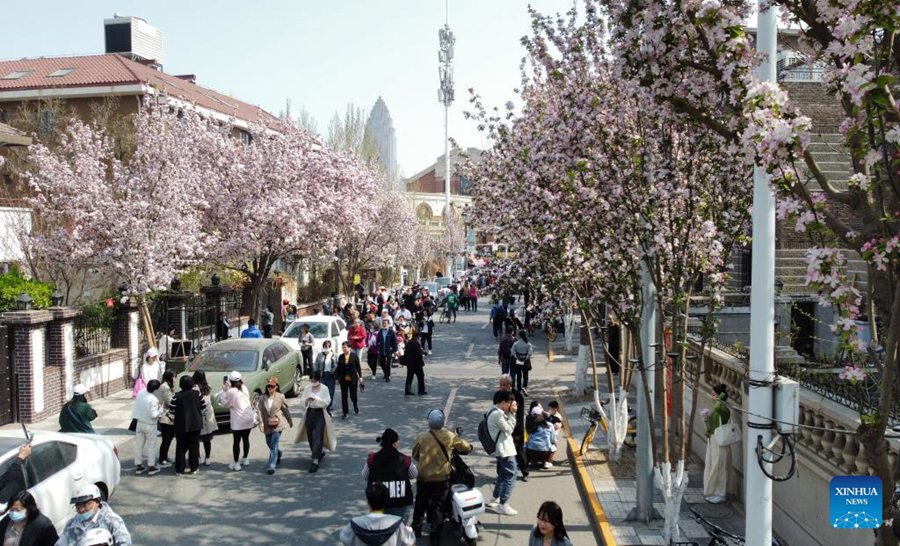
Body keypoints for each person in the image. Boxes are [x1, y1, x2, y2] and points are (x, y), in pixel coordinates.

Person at [411, 409, 472, 542]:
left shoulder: (422, 437)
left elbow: (415, 455)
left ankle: (416, 528)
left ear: (429, 422)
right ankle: (435, 536)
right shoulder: (449, 436)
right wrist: (470, 447)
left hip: (423, 478)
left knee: (420, 503)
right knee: (439, 507)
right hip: (441, 479)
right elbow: (465, 446)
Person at [362, 428, 417, 520]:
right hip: (399, 501)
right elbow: (414, 474)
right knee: (396, 526)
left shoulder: (372, 459)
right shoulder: (404, 459)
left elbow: (365, 475)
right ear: (394, 443)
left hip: (379, 501)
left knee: (380, 526)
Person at [339, 483, 416, 546]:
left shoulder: (355, 524)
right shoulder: (396, 523)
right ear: (386, 501)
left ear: (368, 502)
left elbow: (344, 539)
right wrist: (410, 531)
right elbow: (409, 541)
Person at [55, 484, 131, 546]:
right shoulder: (72, 525)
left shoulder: (112, 521)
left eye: (85, 505)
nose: (81, 510)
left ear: (97, 501)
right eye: (78, 507)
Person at [486, 390, 519, 515]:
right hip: (504, 450)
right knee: (511, 476)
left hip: (502, 449)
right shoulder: (497, 415)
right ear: (504, 402)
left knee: (503, 475)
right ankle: (503, 504)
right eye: (510, 403)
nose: (511, 406)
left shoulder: (493, 410)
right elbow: (509, 429)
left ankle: (496, 497)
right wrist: (513, 414)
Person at [295, 371, 334, 473]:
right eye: (311, 380)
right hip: (309, 413)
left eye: (314, 380)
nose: (313, 382)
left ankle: (315, 461)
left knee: (317, 435)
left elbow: (327, 401)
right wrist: (306, 401)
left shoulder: (324, 388)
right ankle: (318, 452)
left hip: (319, 414)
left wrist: (316, 400)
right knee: (311, 436)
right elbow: (302, 401)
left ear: (318, 380)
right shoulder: (308, 388)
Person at [217, 371, 255, 471]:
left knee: (236, 441)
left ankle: (237, 463)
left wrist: (224, 391)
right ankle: (245, 459)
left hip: (238, 420)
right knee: (246, 439)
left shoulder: (231, 391)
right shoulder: (244, 387)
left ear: (230, 380)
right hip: (248, 417)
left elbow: (225, 403)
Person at [170, 375, 204, 476]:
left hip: (180, 425)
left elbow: (172, 410)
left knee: (181, 447)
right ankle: (194, 468)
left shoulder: (176, 396)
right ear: (192, 384)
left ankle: (179, 470)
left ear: (180, 385)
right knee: (194, 446)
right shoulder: (197, 394)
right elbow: (203, 406)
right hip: (195, 424)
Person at [258, 376, 293, 475]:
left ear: (276, 387)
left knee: (273, 445)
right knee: (269, 443)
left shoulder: (280, 397)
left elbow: (285, 410)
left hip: (277, 425)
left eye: (272, 386)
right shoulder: (262, 398)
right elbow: (259, 412)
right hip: (266, 424)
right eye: (269, 386)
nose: (270, 388)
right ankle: (279, 453)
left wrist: (289, 420)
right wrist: (261, 424)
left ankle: (271, 466)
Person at [703, 383, 731, 503]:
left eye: (714, 394)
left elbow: (719, 406)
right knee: (712, 465)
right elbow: (713, 424)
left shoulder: (723, 409)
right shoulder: (715, 408)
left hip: (721, 442)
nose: (712, 396)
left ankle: (721, 493)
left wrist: (722, 395)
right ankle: (713, 491)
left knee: (720, 467)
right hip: (713, 440)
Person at [498, 374, 529, 482]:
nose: (502, 387)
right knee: (501, 452)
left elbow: (520, 415)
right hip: (502, 427)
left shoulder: (517, 396)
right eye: (500, 384)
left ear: (510, 385)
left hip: (516, 428)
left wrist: (517, 430)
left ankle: (525, 472)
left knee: (519, 451)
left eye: (504, 385)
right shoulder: (498, 395)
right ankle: (500, 475)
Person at [131, 379, 161, 476]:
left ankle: (138, 465)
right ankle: (151, 466)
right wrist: (161, 410)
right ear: (155, 389)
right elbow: (154, 415)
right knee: (151, 446)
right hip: (150, 425)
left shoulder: (140, 393)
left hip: (139, 423)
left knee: (138, 445)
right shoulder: (153, 399)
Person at [191, 370, 218, 466]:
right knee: (207, 439)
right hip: (208, 415)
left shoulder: (193, 388)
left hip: (197, 415)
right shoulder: (207, 387)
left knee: (196, 438)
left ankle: (198, 457)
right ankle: (207, 458)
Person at [154, 370, 176, 468]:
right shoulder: (165, 387)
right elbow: (169, 402)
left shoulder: (167, 386)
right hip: (165, 416)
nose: (175, 378)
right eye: (174, 377)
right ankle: (162, 459)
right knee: (166, 438)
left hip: (168, 416)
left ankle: (165, 456)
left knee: (169, 437)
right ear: (170, 377)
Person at [336, 341, 363, 419]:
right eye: (343, 347)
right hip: (343, 379)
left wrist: (360, 377)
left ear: (349, 348)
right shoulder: (341, 357)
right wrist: (337, 378)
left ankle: (355, 405)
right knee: (344, 396)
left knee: (353, 395)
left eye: (345, 347)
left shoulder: (354, 356)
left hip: (352, 379)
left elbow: (358, 367)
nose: (343, 349)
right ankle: (345, 412)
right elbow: (339, 368)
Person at [314, 339, 338, 415]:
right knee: (322, 392)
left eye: (328, 347)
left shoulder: (334, 355)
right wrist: (315, 375)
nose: (326, 348)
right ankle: (322, 408)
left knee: (330, 393)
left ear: (330, 347)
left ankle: (329, 409)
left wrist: (333, 371)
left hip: (331, 376)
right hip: (322, 376)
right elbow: (316, 365)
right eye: (325, 347)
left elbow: (336, 366)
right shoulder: (320, 355)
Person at [510, 330, 534, 396]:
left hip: (518, 361)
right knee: (525, 375)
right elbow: (530, 353)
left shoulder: (516, 343)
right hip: (525, 361)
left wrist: (517, 357)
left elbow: (512, 351)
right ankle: (524, 387)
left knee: (518, 375)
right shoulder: (528, 343)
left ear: (519, 336)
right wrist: (525, 358)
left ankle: (519, 389)